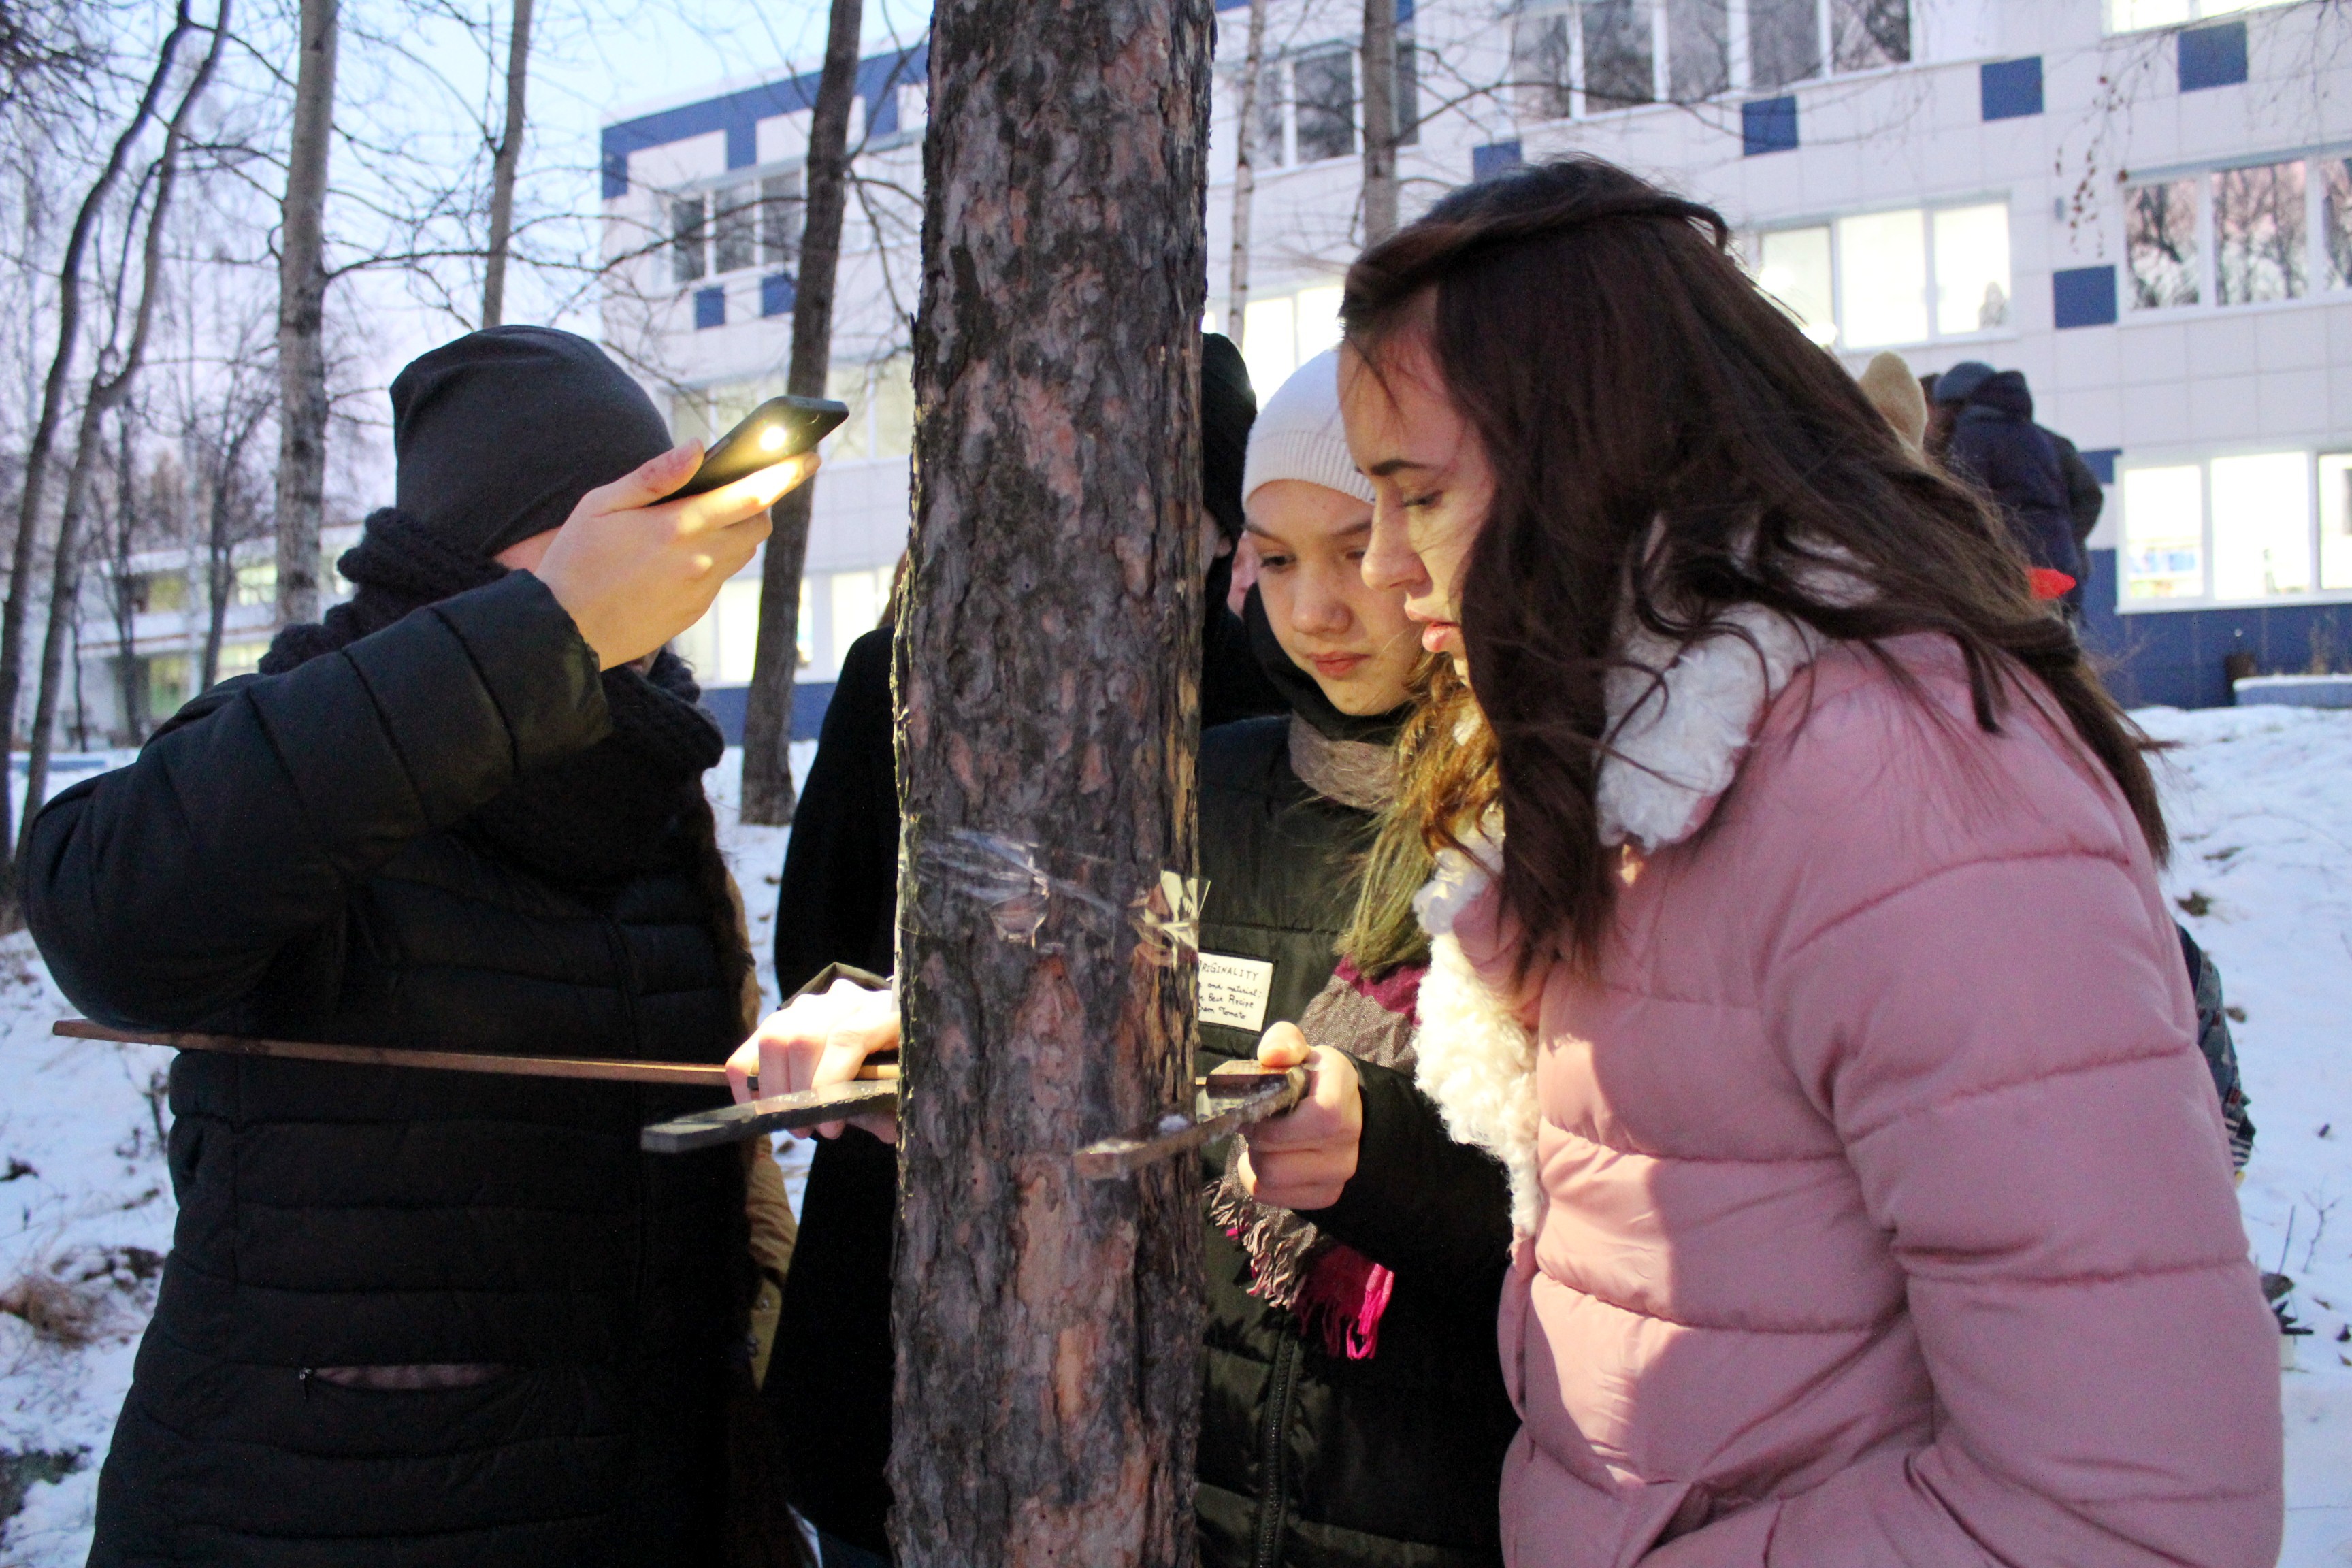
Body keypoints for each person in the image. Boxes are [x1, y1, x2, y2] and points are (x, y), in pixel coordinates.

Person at [1327, 158, 2282, 1565]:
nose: (1387, 577)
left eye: (1419, 498)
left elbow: (2129, 1510)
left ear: (1578, 451)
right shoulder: (1660, 769)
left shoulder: (1901, 790)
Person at [24, 327, 816, 1567]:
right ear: (489, 546)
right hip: (319, 1518)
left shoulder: (651, 783)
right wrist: (543, 633)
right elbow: (102, 912)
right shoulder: (315, 724)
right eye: (624, 519)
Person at [762, 334, 1283, 1567]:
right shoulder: (902, 666)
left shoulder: (1257, 696)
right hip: (905, 1319)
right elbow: (822, 963)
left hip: (1125, 1321)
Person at [1193, 349, 1520, 1568]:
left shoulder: (1548, 814)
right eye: (1275, 557)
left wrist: (1379, 1154)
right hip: (1202, 1492)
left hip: (1453, 1497)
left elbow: (1627, 1229)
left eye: (1353, 547)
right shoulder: (1204, 789)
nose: (1316, 607)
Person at [1929, 360, 2085, 596]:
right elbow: (2078, 497)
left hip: (2017, 570)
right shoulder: (2034, 434)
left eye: (1941, 408)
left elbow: (1963, 506)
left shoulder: (1973, 435)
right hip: (2059, 565)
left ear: (1954, 405)